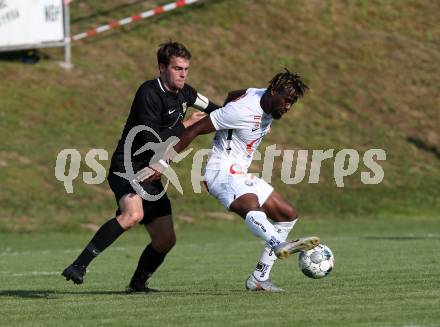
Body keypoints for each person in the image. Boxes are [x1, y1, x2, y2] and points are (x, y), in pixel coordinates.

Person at [139, 69, 319, 292]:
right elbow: (194, 130)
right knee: (252, 206)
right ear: (273, 92)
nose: (288, 107)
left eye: (292, 102)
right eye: (286, 100)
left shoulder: (259, 95)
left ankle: (259, 279)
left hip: (240, 173)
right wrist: (164, 162)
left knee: (288, 215)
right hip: (220, 172)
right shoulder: (240, 112)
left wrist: (224, 118)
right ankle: (277, 242)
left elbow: (235, 92)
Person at [62, 41, 221, 292]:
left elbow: (215, 110)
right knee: (132, 215)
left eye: (186, 69)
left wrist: (239, 114)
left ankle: (137, 284)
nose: (183, 74)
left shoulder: (186, 93)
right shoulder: (148, 93)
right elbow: (151, 140)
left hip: (151, 173)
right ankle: (79, 265)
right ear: (162, 68)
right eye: (177, 68)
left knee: (165, 239)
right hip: (126, 166)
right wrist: (187, 126)